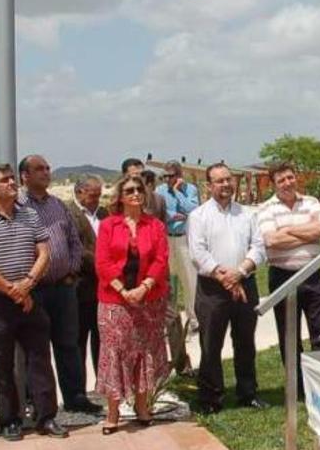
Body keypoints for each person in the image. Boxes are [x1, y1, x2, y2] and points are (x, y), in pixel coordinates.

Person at [0, 163, 68, 440]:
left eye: (13, 179)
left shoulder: (30, 216)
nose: (12, 184)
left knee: (39, 358)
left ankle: (46, 417)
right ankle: (10, 418)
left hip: (29, 298)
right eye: (6, 180)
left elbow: (44, 253)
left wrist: (28, 284)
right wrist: (13, 290)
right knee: (3, 363)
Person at [18, 155, 101, 413]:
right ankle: (40, 403)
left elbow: (74, 243)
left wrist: (71, 271)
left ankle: (76, 397)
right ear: (25, 176)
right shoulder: (18, 207)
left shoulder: (57, 205)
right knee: (37, 349)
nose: (45, 172)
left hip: (64, 289)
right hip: (35, 290)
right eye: (39, 169)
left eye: (47, 168)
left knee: (68, 345)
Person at [187, 163, 269, 414]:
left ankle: (247, 393)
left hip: (245, 284)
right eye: (219, 181)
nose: (225, 184)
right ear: (209, 186)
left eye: (228, 179)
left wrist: (240, 272)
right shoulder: (198, 216)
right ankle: (211, 398)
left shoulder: (247, 214)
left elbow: (259, 247)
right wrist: (224, 277)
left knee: (245, 342)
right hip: (212, 289)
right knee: (211, 344)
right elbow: (198, 253)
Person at [95, 175, 170, 433]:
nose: (136, 193)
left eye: (139, 189)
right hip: (115, 303)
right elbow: (102, 263)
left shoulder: (156, 225)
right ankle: (113, 412)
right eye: (129, 190)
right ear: (120, 196)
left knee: (144, 353)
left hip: (149, 301)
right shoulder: (108, 225)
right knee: (114, 355)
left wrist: (143, 287)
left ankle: (141, 406)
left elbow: (161, 260)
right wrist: (124, 291)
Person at [257, 163, 320, 397]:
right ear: (274, 184)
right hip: (282, 276)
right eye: (282, 180)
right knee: (289, 335)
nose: (288, 183)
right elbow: (271, 241)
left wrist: (288, 230)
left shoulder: (311, 202)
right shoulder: (266, 209)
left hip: (313, 275)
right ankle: (298, 387)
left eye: (290, 177)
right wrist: (304, 231)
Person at [121, 158, 191, 375]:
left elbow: (161, 236)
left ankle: (181, 362)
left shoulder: (158, 201)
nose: (138, 180)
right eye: (133, 175)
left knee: (171, 317)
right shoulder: (118, 203)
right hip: (131, 277)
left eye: (141, 175)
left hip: (159, 273)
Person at [66, 174, 109, 385]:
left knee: (102, 342)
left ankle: (103, 387)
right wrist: (104, 265)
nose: (97, 200)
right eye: (93, 195)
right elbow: (77, 249)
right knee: (78, 342)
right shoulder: (68, 214)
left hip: (104, 289)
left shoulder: (103, 213)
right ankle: (79, 391)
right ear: (80, 192)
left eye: (99, 195)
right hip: (81, 288)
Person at [156, 160, 200, 332]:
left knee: (190, 281)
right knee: (168, 281)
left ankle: (194, 320)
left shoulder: (191, 190)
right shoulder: (159, 191)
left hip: (184, 239)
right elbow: (159, 210)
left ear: (180, 175)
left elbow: (193, 209)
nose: (168, 179)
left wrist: (177, 192)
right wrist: (173, 215)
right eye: (165, 176)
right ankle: (170, 322)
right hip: (166, 238)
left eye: (171, 176)